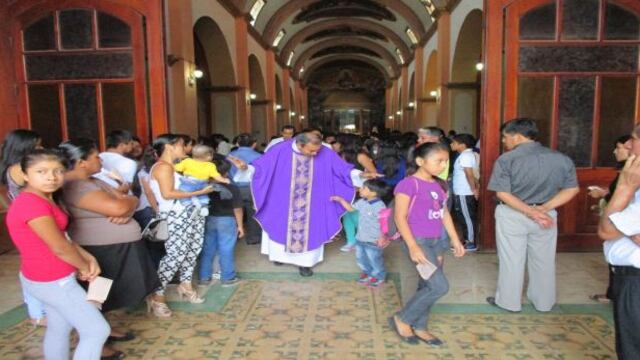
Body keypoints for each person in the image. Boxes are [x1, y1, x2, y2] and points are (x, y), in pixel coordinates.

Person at [59, 138, 159, 359]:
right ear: (81, 162)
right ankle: (95, 342)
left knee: (106, 295)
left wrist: (127, 204)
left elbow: (129, 199)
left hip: (113, 247)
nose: (100, 159)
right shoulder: (76, 185)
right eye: (96, 156)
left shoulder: (92, 180)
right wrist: (126, 205)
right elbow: (120, 204)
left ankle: (104, 330)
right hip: (100, 249)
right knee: (97, 296)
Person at [6, 149, 109, 360]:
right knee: (96, 331)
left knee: (59, 327)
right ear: (25, 175)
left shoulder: (44, 198)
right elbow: (60, 247)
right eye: (41, 172)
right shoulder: (32, 204)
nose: (51, 177)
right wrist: (83, 267)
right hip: (53, 279)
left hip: (44, 276)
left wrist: (87, 258)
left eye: (58, 171)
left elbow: (61, 237)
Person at [250, 132, 376, 277]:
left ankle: (305, 264)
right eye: (311, 151)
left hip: (314, 199)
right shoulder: (280, 149)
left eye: (317, 150)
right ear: (300, 144)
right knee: (281, 224)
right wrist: (246, 169)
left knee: (311, 229)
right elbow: (261, 168)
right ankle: (279, 257)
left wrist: (359, 175)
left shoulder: (325, 151)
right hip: (283, 198)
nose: (315, 154)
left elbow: (342, 169)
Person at [487, 118, 579, 312]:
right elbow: (572, 189)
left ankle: (509, 302)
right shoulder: (561, 158)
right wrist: (543, 209)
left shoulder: (507, 159)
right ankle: (544, 302)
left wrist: (530, 211)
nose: (504, 142)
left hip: (513, 214)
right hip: (546, 217)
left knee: (512, 259)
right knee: (544, 260)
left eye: (505, 137)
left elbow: (502, 193)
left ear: (517, 136)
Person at [390, 142, 465, 346]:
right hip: (419, 241)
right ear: (420, 161)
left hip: (436, 241)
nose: (442, 165)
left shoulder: (439, 185)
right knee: (439, 286)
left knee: (427, 285)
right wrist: (413, 246)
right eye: (438, 161)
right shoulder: (408, 184)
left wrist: (455, 239)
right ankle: (403, 318)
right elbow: (400, 217)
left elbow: (443, 213)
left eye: (445, 161)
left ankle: (420, 327)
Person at [147, 134, 214, 317]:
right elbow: (168, 194)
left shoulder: (174, 167)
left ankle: (185, 285)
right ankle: (157, 295)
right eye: (181, 145)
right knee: (175, 255)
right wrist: (200, 191)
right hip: (175, 217)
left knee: (192, 250)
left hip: (189, 214)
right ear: (169, 147)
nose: (185, 149)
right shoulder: (162, 168)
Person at [597, 125, 640, 359]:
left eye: (632, 140)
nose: (627, 146)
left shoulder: (631, 181)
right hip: (628, 276)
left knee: (632, 348)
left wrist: (625, 186)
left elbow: (607, 229)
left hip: (636, 280)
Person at [0, 129, 47, 326]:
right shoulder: (21, 168)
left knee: (31, 263)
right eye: (37, 146)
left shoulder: (12, 167)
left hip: (26, 218)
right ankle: (38, 312)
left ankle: (37, 310)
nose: (41, 149)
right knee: (37, 265)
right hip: (32, 220)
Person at [588, 134, 631, 304]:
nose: (615, 151)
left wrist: (603, 196)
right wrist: (605, 195)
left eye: (619, 147)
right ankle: (613, 294)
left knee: (623, 260)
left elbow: (625, 198)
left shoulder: (632, 173)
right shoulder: (627, 171)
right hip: (619, 223)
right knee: (616, 258)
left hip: (626, 225)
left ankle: (618, 296)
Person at [331, 179, 390, 287]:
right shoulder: (362, 202)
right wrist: (340, 200)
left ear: (373, 193)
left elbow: (384, 223)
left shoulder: (380, 206)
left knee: (374, 260)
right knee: (361, 259)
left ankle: (379, 277)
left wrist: (383, 237)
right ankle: (368, 274)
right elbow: (351, 209)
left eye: (363, 188)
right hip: (360, 238)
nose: (360, 190)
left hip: (373, 240)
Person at [198, 156, 244, 286]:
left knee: (208, 248)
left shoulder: (204, 186)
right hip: (227, 220)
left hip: (209, 219)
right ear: (226, 172)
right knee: (226, 248)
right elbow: (237, 208)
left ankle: (204, 277)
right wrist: (240, 226)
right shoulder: (232, 187)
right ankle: (227, 277)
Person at [336, 134, 378, 252]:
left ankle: (366, 240)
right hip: (345, 189)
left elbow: (373, 173)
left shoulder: (361, 156)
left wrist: (361, 188)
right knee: (346, 216)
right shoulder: (340, 155)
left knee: (356, 216)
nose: (337, 144)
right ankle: (351, 241)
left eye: (339, 142)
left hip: (360, 190)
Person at [174, 144, 230, 214]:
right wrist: (224, 180)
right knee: (203, 195)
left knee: (183, 193)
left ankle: (190, 206)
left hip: (189, 183)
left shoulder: (187, 161)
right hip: (202, 184)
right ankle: (204, 206)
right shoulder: (211, 165)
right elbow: (216, 176)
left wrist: (173, 165)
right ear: (209, 156)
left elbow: (177, 168)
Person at [228, 133, 263, 245]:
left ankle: (234, 236)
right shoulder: (259, 156)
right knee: (253, 212)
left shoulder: (229, 156)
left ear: (237, 143)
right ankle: (254, 237)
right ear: (254, 144)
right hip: (252, 188)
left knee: (233, 212)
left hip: (233, 187)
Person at [450, 133, 479, 251]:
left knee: (467, 217)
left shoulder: (466, 156)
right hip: (461, 191)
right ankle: (466, 239)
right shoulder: (464, 155)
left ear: (462, 145)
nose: (451, 144)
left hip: (465, 192)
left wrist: (474, 190)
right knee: (462, 216)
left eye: (454, 143)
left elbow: (469, 174)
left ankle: (470, 242)